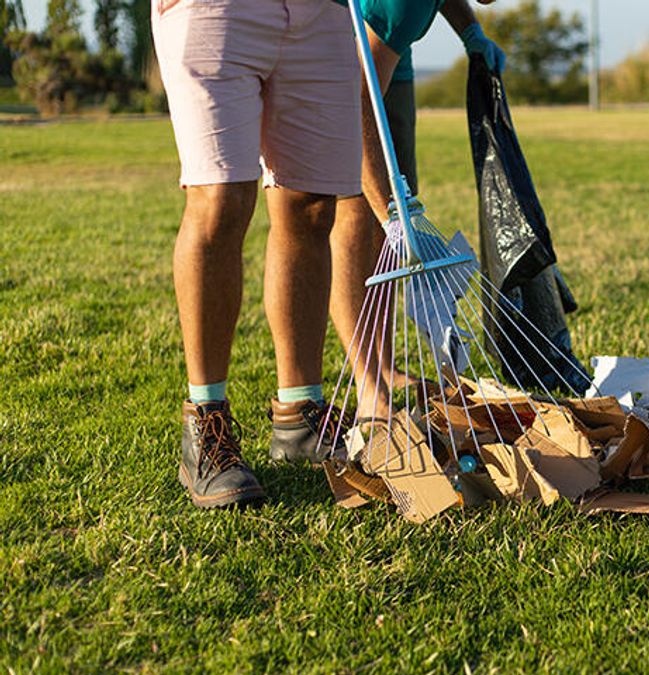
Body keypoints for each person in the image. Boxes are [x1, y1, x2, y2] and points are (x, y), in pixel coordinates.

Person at [153, 0, 363, 507]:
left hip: (321, 13)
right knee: (219, 199)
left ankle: (299, 416)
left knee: (311, 206)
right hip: (217, 9)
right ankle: (206, 420)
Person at [327, 0, 503, 419]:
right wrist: (389, 214)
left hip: (390, 50)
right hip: (331, 50)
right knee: (357, 211)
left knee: (393, 200)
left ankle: (385, 366)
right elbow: (354, 100)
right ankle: (368, 385)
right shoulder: (403, 5)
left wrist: (471, 33)